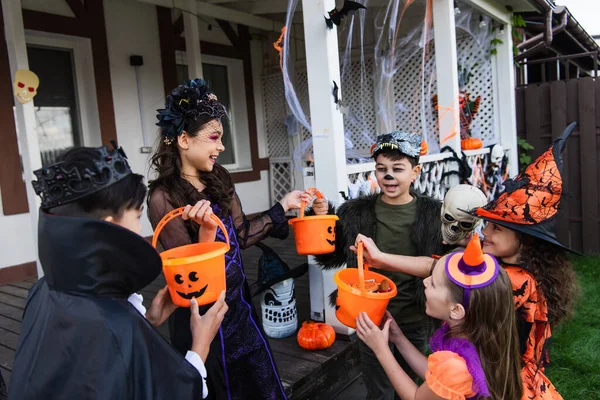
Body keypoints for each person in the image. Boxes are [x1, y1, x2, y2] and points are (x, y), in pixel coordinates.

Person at [148, 78, 328, 400]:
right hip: (202, 317)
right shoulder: (164, 197)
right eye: (214, 139)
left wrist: (282, 206)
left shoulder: (219, 177)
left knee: (258, 380)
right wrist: (205, 232)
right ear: (184, 139)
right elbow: (190, 274)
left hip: (239, 306)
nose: (220, 147)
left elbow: (241, 235)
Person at [9, 145, 227, 399]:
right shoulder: (113, 324)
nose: (140, 228)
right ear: (109, 228)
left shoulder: (43, 288)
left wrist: (145, 321)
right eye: (136, 216)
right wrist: (200, 345)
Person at [312, 131, 444, 399]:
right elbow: (329, 255)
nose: (388, 176)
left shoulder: (434, 216)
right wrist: (321, 217)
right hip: (369, 317)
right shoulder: (354, 213)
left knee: (411, 385)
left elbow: (442, 266)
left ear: (415, 172)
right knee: (378, 388)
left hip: (413, 314)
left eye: (397, 169)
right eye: (381, 169)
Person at [470, 123, 579, 399]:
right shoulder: (519, 269)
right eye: (487, 225)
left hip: (504, 381)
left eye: (497, 228)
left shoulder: (514, 280)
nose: (485, 232)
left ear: (524, 240)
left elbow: (450, 276)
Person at [356, 235, 523, 400]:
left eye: (434, 283)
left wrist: (380, 349)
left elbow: (416, 397)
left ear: (457, 310)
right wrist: (398, 338)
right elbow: (435, 375)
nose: (425, 282)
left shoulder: (457, 367)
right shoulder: (470, 335)